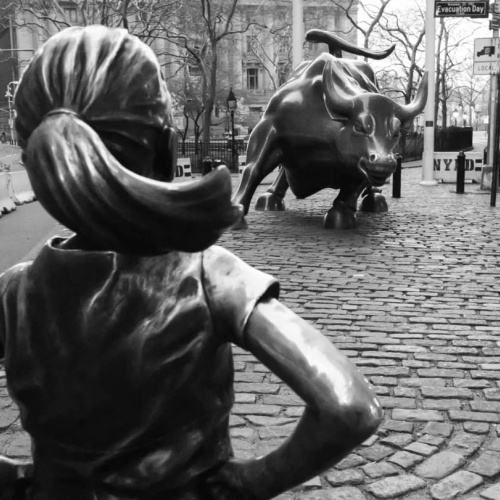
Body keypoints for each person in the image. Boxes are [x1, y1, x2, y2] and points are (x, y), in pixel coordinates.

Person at [0, 25, 382, 499]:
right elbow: (350, 406)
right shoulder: (209, 275)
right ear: (166, 148)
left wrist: (17, 476)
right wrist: (246, 484)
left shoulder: (15, 290)